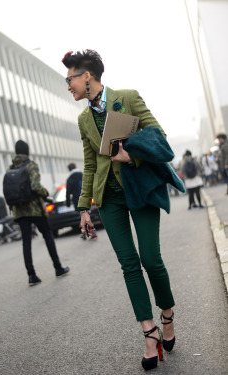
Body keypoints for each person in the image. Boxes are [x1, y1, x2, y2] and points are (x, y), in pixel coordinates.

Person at [62, 50, 179, 371]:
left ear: (87, 76)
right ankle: (150, 333)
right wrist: (83, 207)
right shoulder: (83, 118)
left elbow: (160, 138)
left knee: (150, 259)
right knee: (129, 264)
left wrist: (133, 156)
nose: (67, 86)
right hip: (109, 199)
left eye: (69, 79)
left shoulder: (127, 98)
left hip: (139, 189)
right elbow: (90, 164)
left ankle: (167, 315)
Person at [8, 140, 69, 286]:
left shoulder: (10, 168)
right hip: (35, 209)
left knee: (26, 242)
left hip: (19, 211)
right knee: (48, 235)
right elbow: (36, 186)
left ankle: (31, 275)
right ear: (27, 151)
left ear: (16, 152)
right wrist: (46, 193)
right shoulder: (31, 165)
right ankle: (58, 267)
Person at [66, 162, 97, 240]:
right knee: (85, 214)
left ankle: (91, 232)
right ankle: (84, 233)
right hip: (87, 197)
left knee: (83, 215)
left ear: (69, 170)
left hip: (78, 200)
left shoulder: (70, 179)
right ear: (76, 166)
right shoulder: (82, 174)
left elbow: (68, 192)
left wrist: (68, 203)